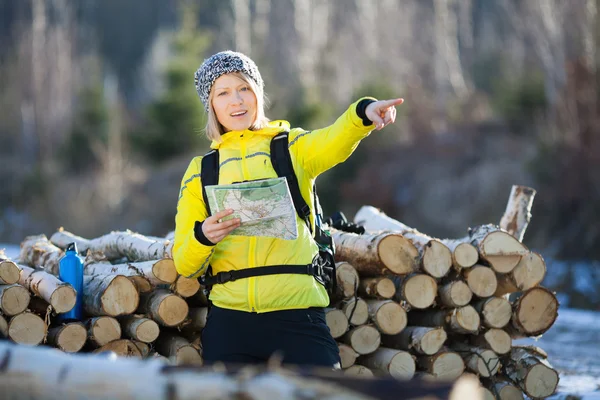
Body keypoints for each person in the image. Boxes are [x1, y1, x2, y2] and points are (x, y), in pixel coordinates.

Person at [173, 50, 403, 368]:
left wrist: (363, 113)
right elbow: (184, 262)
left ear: (258, 94)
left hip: (299, 318)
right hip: (231, 325)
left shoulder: (291, 147)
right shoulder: (201, 171)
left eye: (244, 89)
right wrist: (204, 236)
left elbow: (333, 140)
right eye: (223, 93)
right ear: (211, 105)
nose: (236, 101)